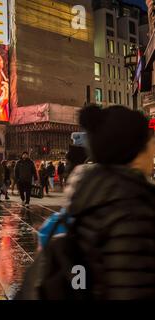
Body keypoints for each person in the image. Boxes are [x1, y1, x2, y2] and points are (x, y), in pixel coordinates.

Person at [59, 105, 155, 299]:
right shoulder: (130, 207)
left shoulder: (90, 194)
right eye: (150, 142)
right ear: (136, 150)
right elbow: (130, 287)